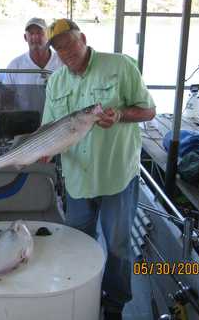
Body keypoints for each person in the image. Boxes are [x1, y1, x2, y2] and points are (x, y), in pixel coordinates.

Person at [41, 19, 156, 320]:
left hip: (116, 174)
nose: (65, 52)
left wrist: (119, 115)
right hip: (78, 180)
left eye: (69, 43)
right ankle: (83, 295)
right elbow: (49, 129)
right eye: (58, 48)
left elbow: (149, 110)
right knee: (79, 242)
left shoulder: (120, 66)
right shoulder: (56, 82)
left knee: (118, 246)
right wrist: (42, 151)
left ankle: (115, 304)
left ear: (83, 38)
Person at [1, 17, 63, 85]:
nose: (35, 37)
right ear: (25, 37)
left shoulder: (62, 61)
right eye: (31, 33)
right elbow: (6, 93)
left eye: (39, 33)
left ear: (48, 35)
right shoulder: (15, 65)